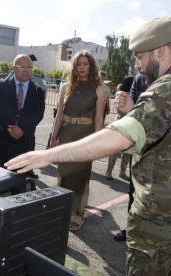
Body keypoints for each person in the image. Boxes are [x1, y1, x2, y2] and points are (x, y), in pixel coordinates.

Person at [5, 16, 171, 275]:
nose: (138, 66)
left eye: (140, 57)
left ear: (160, 51)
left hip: (164, 214)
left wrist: (49, 155)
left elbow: (119, 137)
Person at [49, 50, 106, 231]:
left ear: (91, 66)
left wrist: (97, 143)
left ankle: (79, 213)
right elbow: (60, 114)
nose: (82, 67)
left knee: (82, 176)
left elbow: (99, 119)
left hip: (85, 136)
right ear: (74, 67)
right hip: (66, 134)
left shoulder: (99, 88)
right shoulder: (66, 87)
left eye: (85, 64)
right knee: (64, 174)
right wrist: (54, 137)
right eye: (78, 64)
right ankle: (63, 208)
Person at [0, 54, 45, 178]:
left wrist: (22, 129)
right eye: (22, 66)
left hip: (24, 142)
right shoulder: (1, 85)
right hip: (1, 140)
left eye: (29, 67)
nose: (26, 70)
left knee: (20, 182)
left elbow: (38, 114)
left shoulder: (37, 90)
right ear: (13, 68)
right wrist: (10, 128)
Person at [114, 73, 148, 242]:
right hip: (139, 150)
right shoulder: (139, 79)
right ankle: (130, 229)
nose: (137, 64)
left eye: (140, 57)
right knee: (134, 192)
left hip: (165, 154)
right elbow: (131, 112)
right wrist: (124, 106)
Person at [105, 78, 133, 181]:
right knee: (115, 151)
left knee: (127, 151)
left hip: (129, 126)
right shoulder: (122, 95)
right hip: (121, 125)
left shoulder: (131, 95)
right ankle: (109, 171)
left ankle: (122, 172)